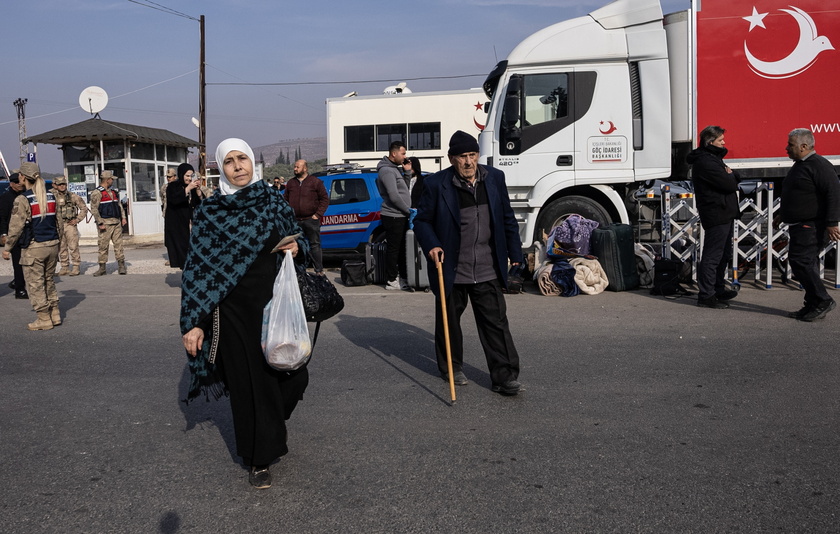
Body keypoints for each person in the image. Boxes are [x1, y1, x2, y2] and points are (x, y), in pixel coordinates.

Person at [181, 138, 309, 490]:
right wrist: (196, 323)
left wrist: (297, 247)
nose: (238, 166)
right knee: (249, 387)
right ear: (220, 168)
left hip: (275, 307)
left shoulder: (272, 201)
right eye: (230, 161)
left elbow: (303, 242)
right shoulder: (210, 213)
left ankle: (267, 423)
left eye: (243, 159)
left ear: (253, 162)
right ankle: (258, 458)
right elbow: (199, 272)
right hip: (232, 313)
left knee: (294, 377)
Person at [414, 131, 524, 395]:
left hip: (487, 266)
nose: (468, 162)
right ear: (452, 159)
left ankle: (505, 376)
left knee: (496, 324)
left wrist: (516, 255)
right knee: (449, 322)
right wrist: (433, 245)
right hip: (451, 267)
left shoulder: (495, 179)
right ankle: (451, 368)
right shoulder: (436, 185)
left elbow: (507, 218)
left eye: (472, 155)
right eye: (462, 157)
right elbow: (421, 221)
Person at [780, 128, 840, 321]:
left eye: (790, 145)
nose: (786, 148)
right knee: (807, 263)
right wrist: (781, 214)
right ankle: (813, 304)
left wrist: (831, 223)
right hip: (800, 224)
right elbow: (797, 193)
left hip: (812, 225)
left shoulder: (819, 165)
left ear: (804, 146)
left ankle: (823, 300)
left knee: (801, 261)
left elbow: (833, 193)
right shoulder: (800, 165)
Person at [2, 162, 63, 330]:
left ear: (22, 177)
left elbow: (15, 227)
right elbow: (59, 224)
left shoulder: (22, 199)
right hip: (52, 244)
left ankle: (43, 319)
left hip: (34, 247)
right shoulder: (51, 196)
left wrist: (7, 248)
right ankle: (55, 313)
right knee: (48, 280)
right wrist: (59, 243)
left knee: (35, 284)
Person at [687, 125, 741, 309]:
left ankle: (717, 288)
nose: (724, 143)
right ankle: (707, 294)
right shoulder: (706, 162)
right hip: (717, 212)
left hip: (723, 211)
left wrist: (731, 175)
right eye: (720, 140)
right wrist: (732, 175)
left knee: (723, 254)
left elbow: (732, 177)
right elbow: (729, 183)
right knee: (713, 255)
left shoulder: (712, 158)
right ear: (711, 142)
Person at [376, 141, 414, 290]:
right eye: (403, 153)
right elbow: (394, 195)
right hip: (393, 215)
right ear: (394, 153)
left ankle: (401, 277)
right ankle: (391, 280)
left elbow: (403, 188)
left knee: (401, 248)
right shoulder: (386, 171)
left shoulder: (395, 169)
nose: (405, 156)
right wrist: (407, 210)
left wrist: (407, 172)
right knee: (394, 249)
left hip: (400, 214)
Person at [284, 159, 329, 274]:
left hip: (311, 220)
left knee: (315, 245)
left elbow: (324, 199)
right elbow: (285, 200)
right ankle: (299, 271)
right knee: (297, 246)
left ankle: (319, 271)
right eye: (294, 167)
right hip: (295, 222)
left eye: (297, 167)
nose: (295, 169)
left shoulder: (315, 182)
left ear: (305, 168)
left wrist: (317, 215)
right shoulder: (291, 183)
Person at [89, 170, 127, 276]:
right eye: (111, 179)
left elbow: (119, 206)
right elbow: (94, 209)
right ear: (107, 180)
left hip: (116, 223)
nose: (112, 181)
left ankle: (121, 266)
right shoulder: (97, 193)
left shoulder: (113, 192)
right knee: (103, 246)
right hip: (105, 224)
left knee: (119, 245)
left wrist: (123, 217)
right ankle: (102, 268)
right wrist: (100, 223)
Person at [164, 163, 200, 270]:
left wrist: (197, 191)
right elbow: (174, 200)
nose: (189, 178)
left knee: (191, 252)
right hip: (176, 226)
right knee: (182, 253)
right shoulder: (172, 186)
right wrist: (188, 189)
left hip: (189, 224)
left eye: (191, 176)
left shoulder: (192, 188)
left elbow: (198, 204)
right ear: (181, 175)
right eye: (187, 176)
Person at [51, 175, 88, 276]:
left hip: (69, 224)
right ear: (55, 185)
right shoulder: (52, 196)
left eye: (64, 184)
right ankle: (64, 267)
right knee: (61, 247)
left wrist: (77, 219)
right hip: (58, 225)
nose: (62, 186)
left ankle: (76, 266)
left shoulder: (72, 196)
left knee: (73, 246)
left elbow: (84, 209)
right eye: (60, 184)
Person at [0, 171, 28, 299]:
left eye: (20, 181)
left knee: (28, 262)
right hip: (14, 234)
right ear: (12, 184)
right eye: (17, 182)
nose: (20, 184)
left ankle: (17, 282)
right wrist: (4, 234)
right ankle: (20, 290)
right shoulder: (6, 198)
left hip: (26, 233)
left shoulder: (26, 195)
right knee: (18, 263)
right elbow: (2, 218)